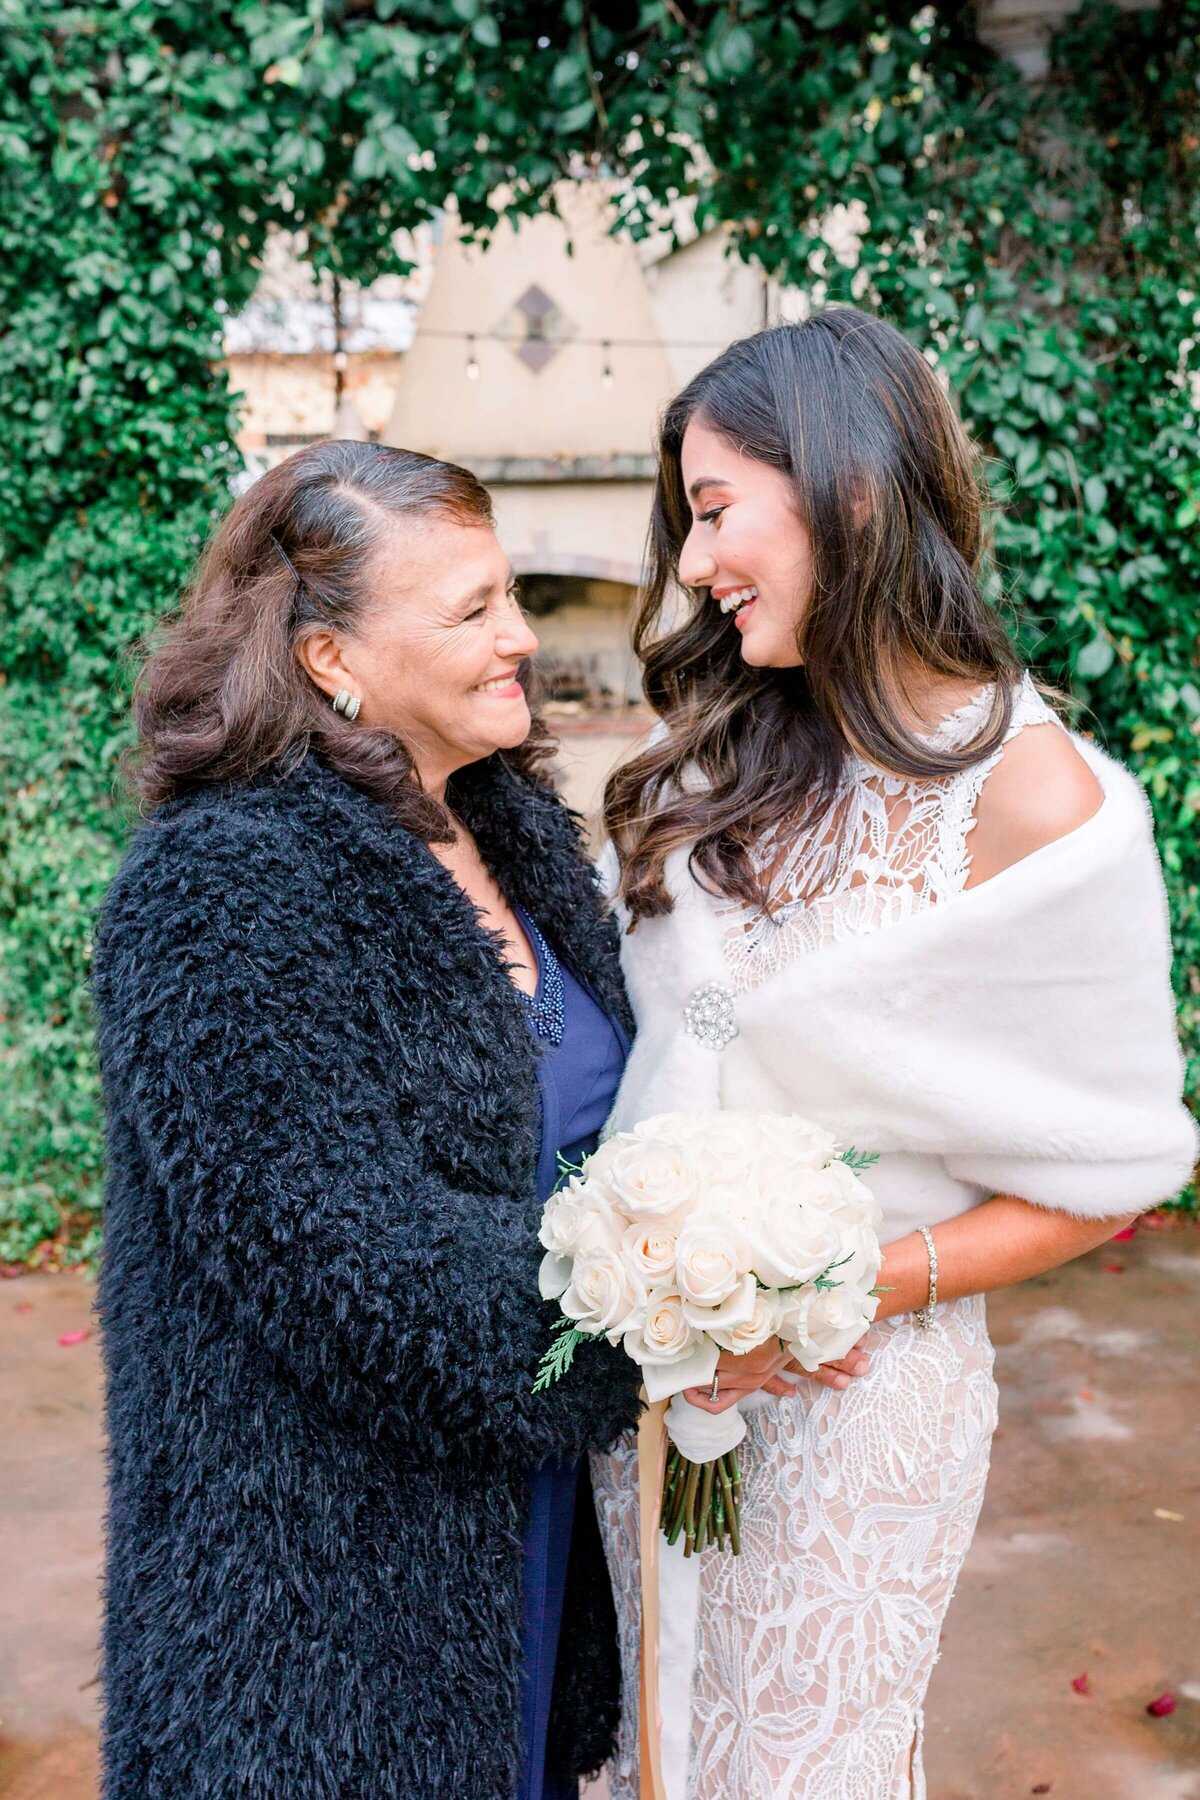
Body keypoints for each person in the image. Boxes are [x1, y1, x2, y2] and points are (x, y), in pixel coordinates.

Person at [591, 310, 1197, 1800]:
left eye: (717, 510)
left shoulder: (1041, 805)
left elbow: (1103, 1171)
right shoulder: (742, 751)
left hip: (862, 1409)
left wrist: (834, 1289)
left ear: (852, 494)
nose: (692, 567)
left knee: (804, 1765)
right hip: (656, 1392)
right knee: (655, 1743)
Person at [91, 440, 641, 1800]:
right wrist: (665, 1323)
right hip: (323, 1623)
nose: (520, 637)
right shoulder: (220, 888)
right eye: (470, 610)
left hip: (524, 1542)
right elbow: (348, 1263)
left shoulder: (512, 829)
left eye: (509, 594)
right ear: (330, 658)